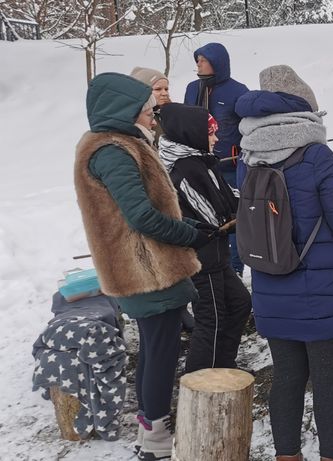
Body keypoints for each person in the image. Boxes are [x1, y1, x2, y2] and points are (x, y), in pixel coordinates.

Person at [74, 73, 212, 460]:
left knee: (155, 348)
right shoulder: (112, 152)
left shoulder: (119, 144)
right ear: (126, 111)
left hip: (146, 267)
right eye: (149, 111)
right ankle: (156, 441)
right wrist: (188, 233)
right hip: (145, 270)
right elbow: (141, 217)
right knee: (162, 352)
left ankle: (148, 431)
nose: (154, 117)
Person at [236, 65, 333, 461]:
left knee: (287, 379)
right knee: (328, 383)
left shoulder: (248, 157)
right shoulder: (317, 156)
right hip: (325, 294)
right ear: (303, 109)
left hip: (272, 288)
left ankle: (286, 455)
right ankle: (332, 456)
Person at [156, 103, 252, 373]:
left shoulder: (202, 161)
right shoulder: (184, 170)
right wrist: (241, 215)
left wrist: (250, 202)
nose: (216, 138)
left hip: (216, 256)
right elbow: (213, 219)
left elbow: (227, 196)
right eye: (211, 132)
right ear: (193, 133)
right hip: (200, 258)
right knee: (212, 319)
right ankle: (199, 382)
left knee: (241, 303)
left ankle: (224, 366)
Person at [184, 42, 250, 276]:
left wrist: (239, 153)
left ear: (217, 63)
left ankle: (236, 268)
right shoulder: (193, 88)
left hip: (229, 165)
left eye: (203, 60)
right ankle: (213, 266)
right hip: (200, 165)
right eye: (197, 60)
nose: (198, 64)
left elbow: (248, 126)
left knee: (234, 217)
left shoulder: (238, 91)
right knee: (206, 216)